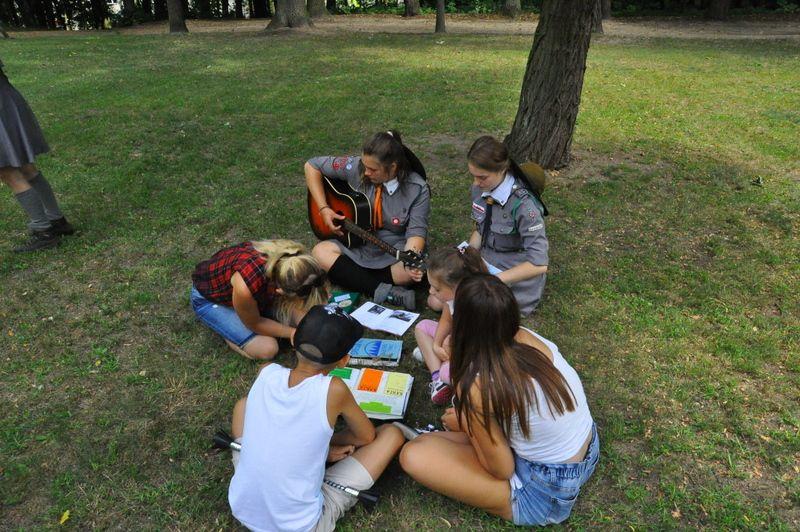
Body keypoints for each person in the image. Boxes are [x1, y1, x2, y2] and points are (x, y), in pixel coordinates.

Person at [400, 274, 599, 527]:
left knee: (414, 455)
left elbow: (501, 469)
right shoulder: (525, 336)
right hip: (587, 448)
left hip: (546, 489)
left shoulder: (477, 384)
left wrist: (468, 424)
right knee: (435, 439)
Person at [227, 304, 406, 532]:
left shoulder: (267, 371)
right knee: (391, 434)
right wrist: (327, 444)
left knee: (243, 405)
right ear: (344, 360)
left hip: (244, 507)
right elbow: (366, 436)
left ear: (294, 340)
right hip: (302, 525)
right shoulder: (334, 389)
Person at [305, 130, 430, 310]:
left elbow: (416, 233)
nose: (366, 172)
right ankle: (383, 290)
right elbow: (311, 166)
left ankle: (353, 277)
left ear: (393, 167)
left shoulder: (417, 189)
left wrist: (411, 259)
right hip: (355, 243)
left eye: (373, 169)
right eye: (365, 166)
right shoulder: (357, 167)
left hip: (392, 249)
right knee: (320, 252)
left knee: (409, 274)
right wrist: (324, 208)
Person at [191, 239, 329, 360]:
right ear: (280, 291)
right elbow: (255, 323)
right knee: (268, 348)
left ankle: (248, 314)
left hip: (254, 294)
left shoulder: (295, 258)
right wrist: (292, 333)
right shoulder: (246, 285)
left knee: (307, 320)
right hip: (209, 300)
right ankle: (226, 329)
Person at [465, 136, 548, 315]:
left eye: (482, 177)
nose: (476, 183)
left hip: (513, 275)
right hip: (486, 263)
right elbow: (481, 228)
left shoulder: (524, 206)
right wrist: (467, 254)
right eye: (473, 176)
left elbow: (539, 263)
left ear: (502, 169)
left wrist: (495, 280)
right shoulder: (481, 189)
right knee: (438, 298)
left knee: (475, 310)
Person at [0, 58, 74, 252]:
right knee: (26, 167)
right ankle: (56, 221)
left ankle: (44, 232)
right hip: (6, 101)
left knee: (8, 171)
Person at [412, 246, 487, 405]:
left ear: (458, 286)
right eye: (430, 286)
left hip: (475, 356)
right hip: (454, 345)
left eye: (437, 288)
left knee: (447, 372)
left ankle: (442, 372)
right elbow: (446, 321)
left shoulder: (477, 306)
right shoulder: (451, 299)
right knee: (422, 327)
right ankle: (437, 380)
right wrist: (437, 344)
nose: (431, 291)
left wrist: (449, 347)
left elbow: (478, 346)